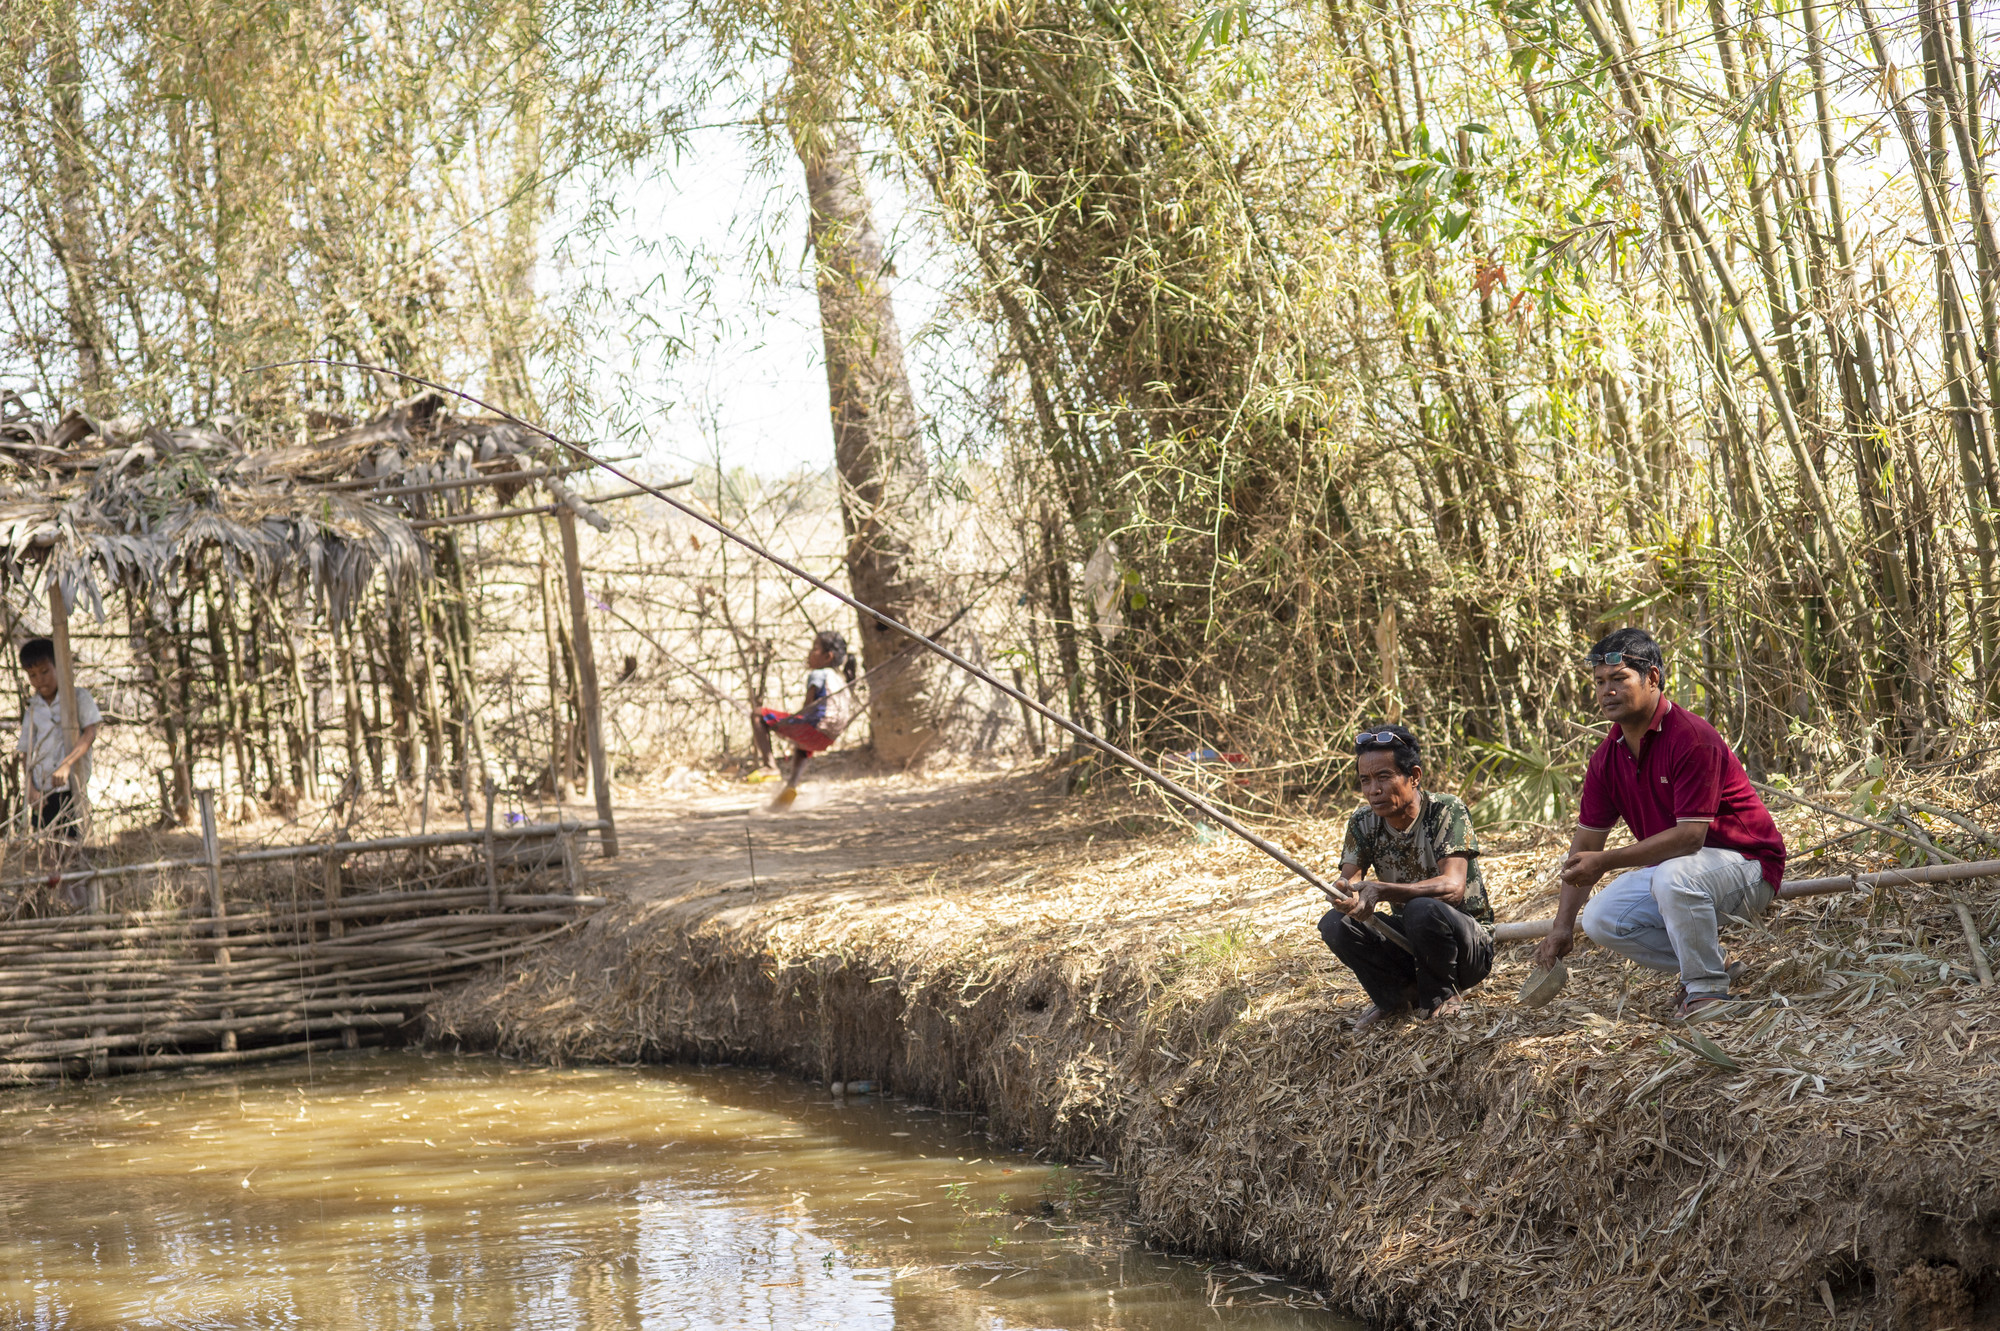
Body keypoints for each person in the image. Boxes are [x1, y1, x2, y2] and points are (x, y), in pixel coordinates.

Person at [1532, 628, 1786, 1019]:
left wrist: (1606, 862)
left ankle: (1707, 992)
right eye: (1600, 682)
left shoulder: (1691, 737)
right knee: (1601, 919)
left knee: (1673, 877)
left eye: (1619, 679)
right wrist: (1562, 927)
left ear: (1652, 678)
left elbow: (1689, 839)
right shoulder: (1607, 757)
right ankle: (1713, 962)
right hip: (1682, 872)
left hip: (1749, 867)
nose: (1606, 691)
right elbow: (1585, 846)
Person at [1318, 724, 1494, 1030]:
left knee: (1421, 908)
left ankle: (1443, 994)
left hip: (1465, 945)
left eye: (1384, 777)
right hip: (1411, 944)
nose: (1374, 790)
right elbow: (1350, 880)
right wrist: (1344, 895)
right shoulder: (1362, 822)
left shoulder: (1445, 810)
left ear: (1414, 776)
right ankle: (1396, 998)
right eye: (1365, 780)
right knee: (1335, 924)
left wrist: (1382, 891)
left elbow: (1452, 888)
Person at [752, 629, 857, 807]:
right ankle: (792, 785)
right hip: (828, 737)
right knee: (802, 745)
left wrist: (783, 726)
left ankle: (770, 767)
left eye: (814, 648)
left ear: (827, 657)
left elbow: (807, 709)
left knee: (757, 714)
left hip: (813, 728)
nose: (810, 653)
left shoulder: (819, 674)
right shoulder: (841, 680)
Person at [16, 637, 100, 839]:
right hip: (42, 787)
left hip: (70, 784)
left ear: (58, 667)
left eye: (45, 672)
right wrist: (30, 788)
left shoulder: (78, 698)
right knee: (49, 840)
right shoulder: (33, 709)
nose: (39, 680)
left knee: (73, 838)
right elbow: (26, 750)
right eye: (33, 675)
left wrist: (67, 764)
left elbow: (90, 733)